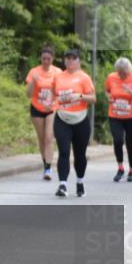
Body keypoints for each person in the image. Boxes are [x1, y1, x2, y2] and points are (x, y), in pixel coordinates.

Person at [51, 48, 96, 198]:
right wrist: (53, 103)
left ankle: (80, 181)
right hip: (62, 118)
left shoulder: (84, 77)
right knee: (63, 151)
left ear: (78, 61)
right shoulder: (58, 77)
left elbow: (93, 98)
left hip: (80, 120)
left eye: (73, 58)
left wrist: (81, 96)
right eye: (67, 58)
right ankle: (62, 184)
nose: (70, 60)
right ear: (64, 61)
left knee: (80, 154)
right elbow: (53, 95)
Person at [105, 57, 132, 182]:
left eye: (123, 72)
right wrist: (109, 97)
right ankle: (120, 168)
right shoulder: (111, 77)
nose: (121, 75)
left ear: (128, 70)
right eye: (119, 72)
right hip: (115, 115)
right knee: (117, 140)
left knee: (130, 143)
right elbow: (107, 91)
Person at [26, 46, 61, 180]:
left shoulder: (58, 72)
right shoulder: (34, 72)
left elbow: (61, 91)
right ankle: (45, 163)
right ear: (40, 58)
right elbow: (28, 94)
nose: (46, 61)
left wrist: (52, 101)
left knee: (49, 137)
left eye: (48, 58)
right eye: (44, 58)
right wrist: (33, 82)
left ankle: (48, 168)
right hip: (36, 107)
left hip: (51, 108)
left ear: (52, 59)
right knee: (41, 139)